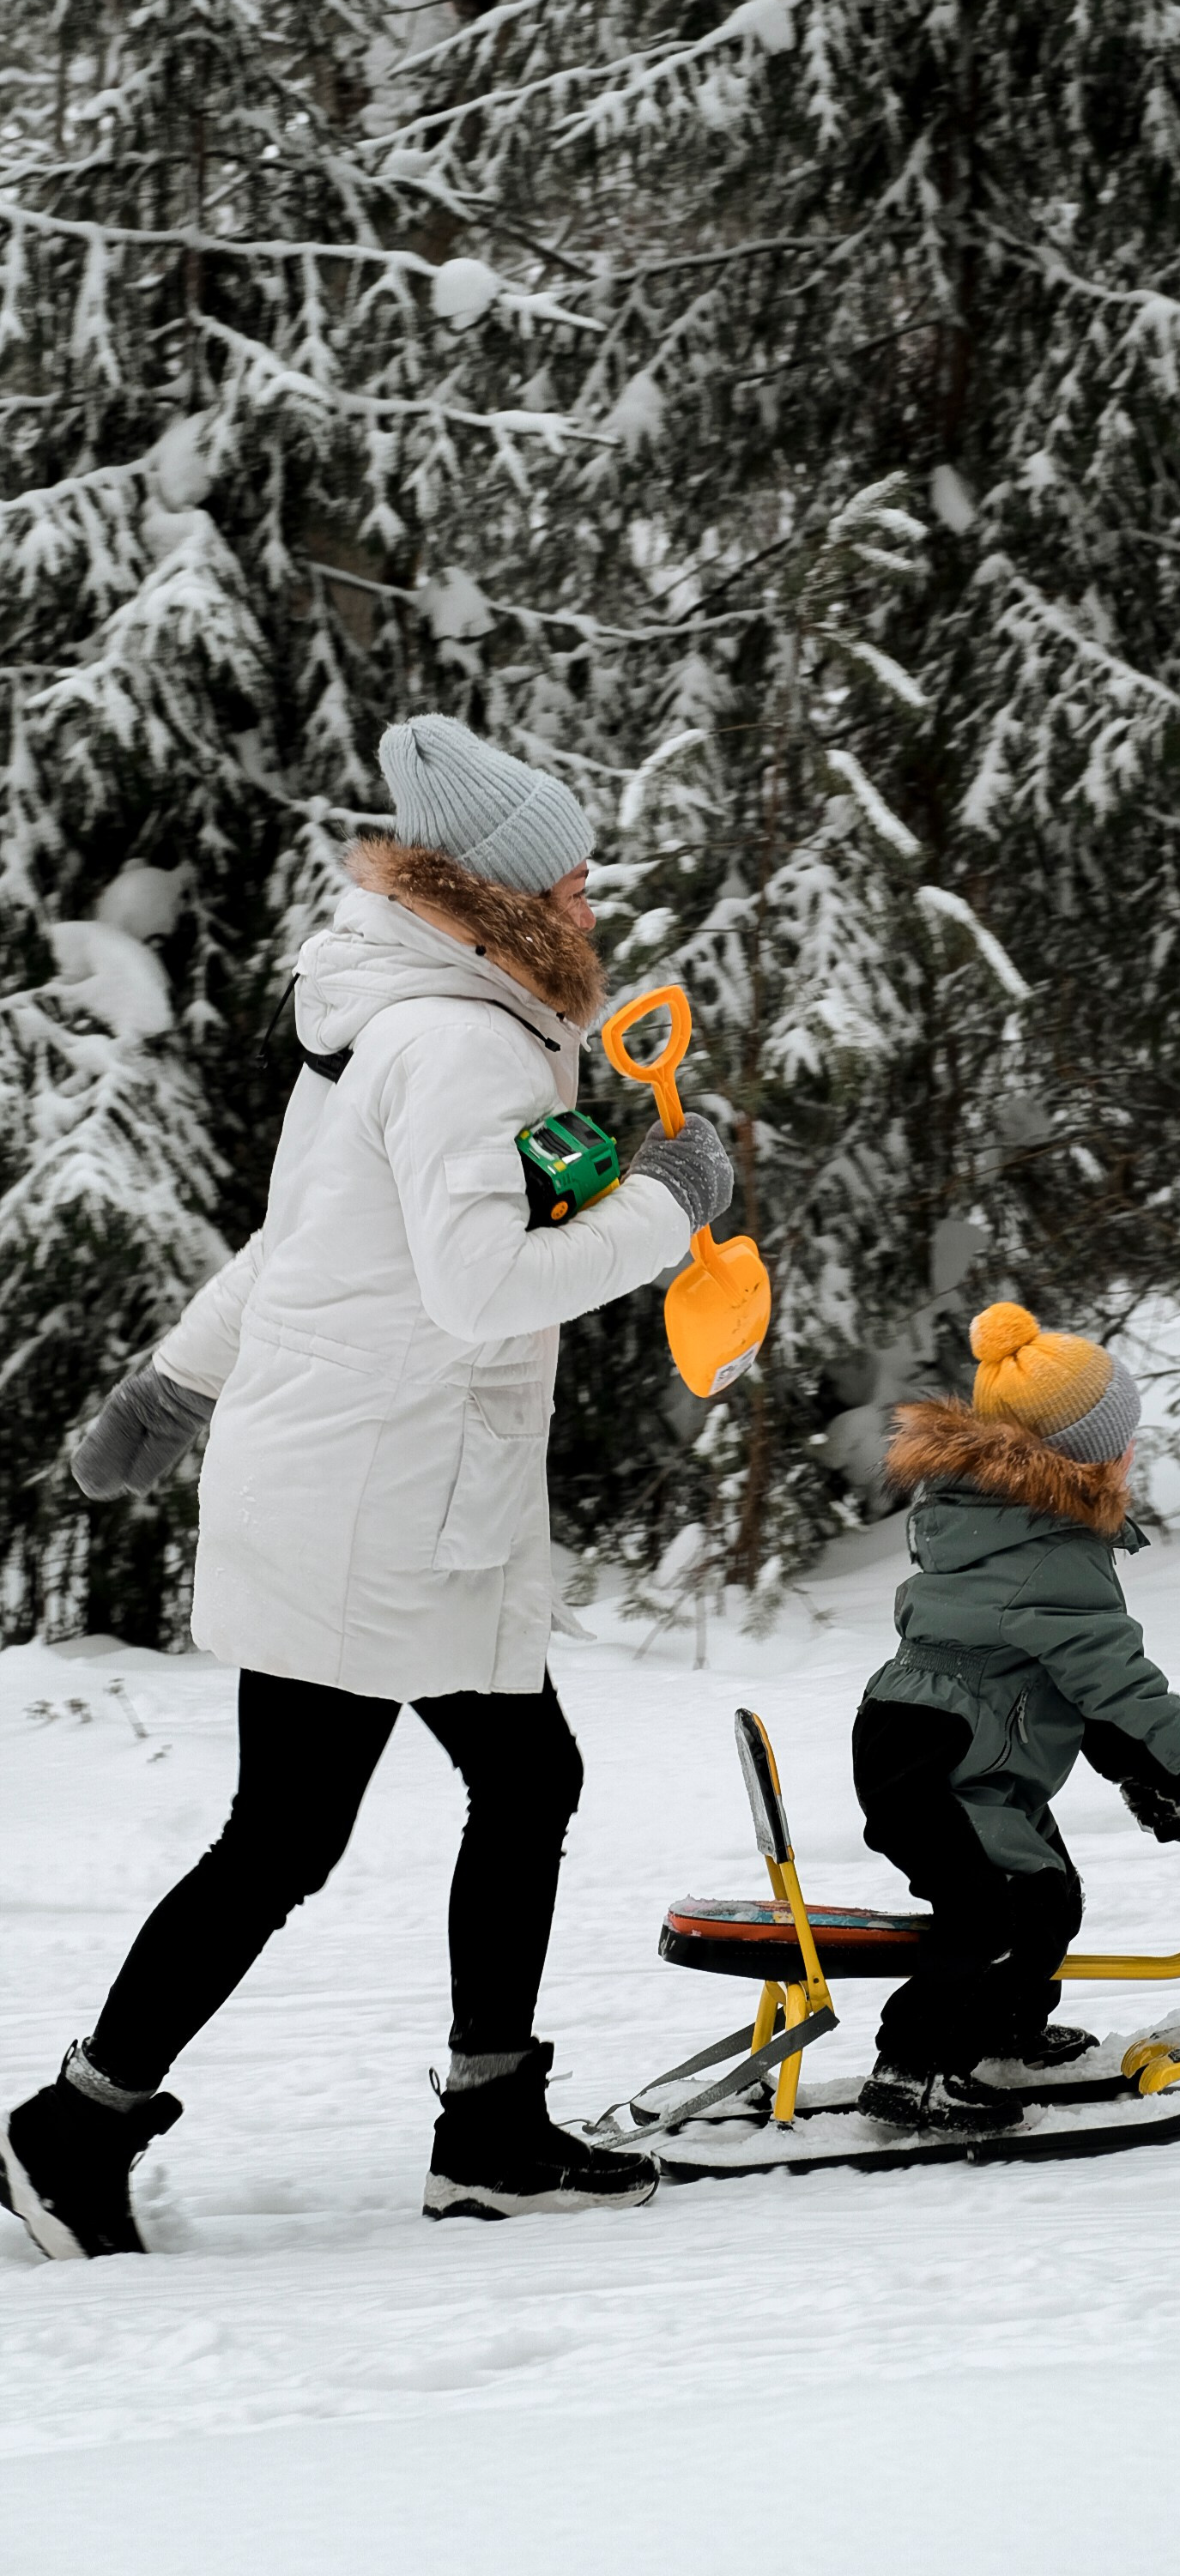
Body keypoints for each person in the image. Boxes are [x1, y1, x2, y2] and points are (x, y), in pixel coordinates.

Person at [0, 715, 729, 2260]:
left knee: (339, 1823)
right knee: (417, 1810)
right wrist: (662, 1211)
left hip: (358, 1478)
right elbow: (475, 1288)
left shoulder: (399, 1016)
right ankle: (425, 2131)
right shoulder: (455, 1037)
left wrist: (171, 1387)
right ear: (502, 897)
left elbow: (320, 1242)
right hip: (387, 1502)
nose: (593, 906)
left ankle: (117, 2123)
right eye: (576, 885)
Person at [853, 1301, 1180, 2135]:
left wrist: (1145, 1772)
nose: (1131, 1452)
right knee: (989, 1915)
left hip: (960, 1749)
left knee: (1049, 1896)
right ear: (1076, 1455)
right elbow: (1120, 1684)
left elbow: (1078, 1690)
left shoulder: (1000, 1523)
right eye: (1122, 1439)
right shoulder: (1049, 1553)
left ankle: (1003, 2033)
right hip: (935, 1761)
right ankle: (915, 2070)